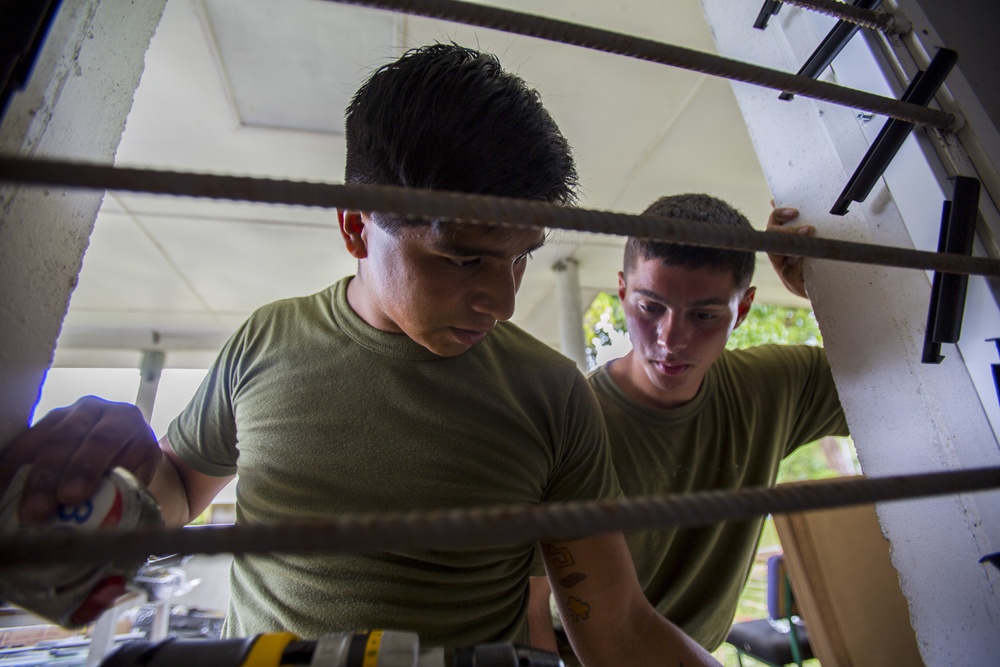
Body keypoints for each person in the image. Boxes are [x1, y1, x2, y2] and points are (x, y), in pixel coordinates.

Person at [0, 44, 720, 666]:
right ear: (354, 227)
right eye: (464, 260)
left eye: (520, 258)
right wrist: (110, 479)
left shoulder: (553, 393)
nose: (501, 300)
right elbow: (184, 488)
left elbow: (619, 630)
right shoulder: (266, 339)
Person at [529, 193, 849, 657]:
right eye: (650, 307)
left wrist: (823, 293)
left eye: (703, 315)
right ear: (622, 292)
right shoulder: (571, 422)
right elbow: (530, 604)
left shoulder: (773, 387)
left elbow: (915, 384)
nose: (670, 339)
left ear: (741, 312)